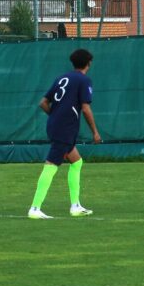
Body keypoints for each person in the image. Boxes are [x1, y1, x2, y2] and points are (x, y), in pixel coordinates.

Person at [28, 48, 101, 219]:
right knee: (51, 166)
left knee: (77, 162)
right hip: (65, 128)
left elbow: (43, 103)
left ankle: (75, 206)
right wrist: (95, 132)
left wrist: (55, 115)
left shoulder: (62, 78)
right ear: (88, 63)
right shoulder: (84, 80)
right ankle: (35, 208)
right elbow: (85, 108)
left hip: (56, 125)